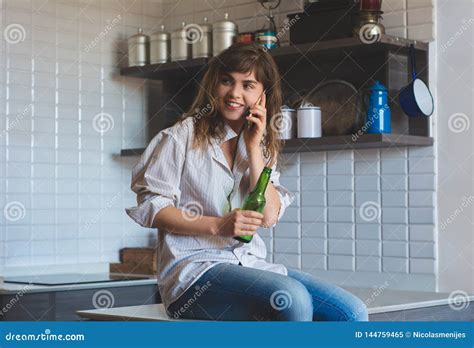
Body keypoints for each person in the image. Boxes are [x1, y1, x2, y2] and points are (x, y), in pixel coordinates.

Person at [126, 43, 368, 321]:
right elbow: (151, 206)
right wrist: (217, 225)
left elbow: (268, 216)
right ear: (213, 84)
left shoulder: (261, 145)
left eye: (248, 85)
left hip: (249, 264)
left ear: (263, 95)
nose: (234, 93)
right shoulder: (180, 137)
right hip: (193, 274)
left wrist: (254, 150)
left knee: (350, 313)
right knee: (291, 299)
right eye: (227, 81)